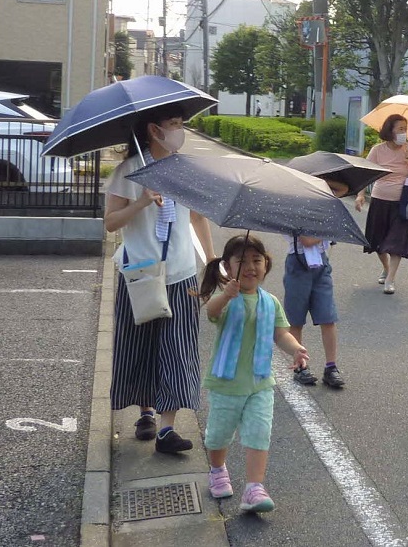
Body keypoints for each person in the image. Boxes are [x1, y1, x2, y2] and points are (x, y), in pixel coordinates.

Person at [104, 104, 215, 453]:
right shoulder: (128, 171)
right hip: (140, 273)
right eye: (175, 125)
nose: (180, 131)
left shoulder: (184, 170)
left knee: (177, 350)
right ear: (155, 130)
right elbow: (110, 222)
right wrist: (139, 203)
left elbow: (198, 218)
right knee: (140, 347)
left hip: (181, 274)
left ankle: (168, 429)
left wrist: (211, 261)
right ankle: (146, 413)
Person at [196, 234, 309, 513]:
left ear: (266, 264)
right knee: (219, 435)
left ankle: (254, 488)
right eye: (242, 261)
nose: (250, 266)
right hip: (226, 382)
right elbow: (211, 312)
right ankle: (218, 469)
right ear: (227, 266)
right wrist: (225, 295)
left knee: (260, 433)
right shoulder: (227, 298)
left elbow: (280, 333)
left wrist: (295, 349)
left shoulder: (270, 301)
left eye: (257, 260)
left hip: (260, 383)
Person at [283, 178, 350, 388]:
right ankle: (301, 366)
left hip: (321, 264)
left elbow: (344, 187)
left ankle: (331, 366)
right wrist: (328, 226)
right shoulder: (293, 207)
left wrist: (320, 181)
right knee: (296, 319)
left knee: (327, 317)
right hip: (297, 264)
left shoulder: (322, 203)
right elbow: (306, 239)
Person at [355, 114, 408, 295]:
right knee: (377, 241)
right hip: (379, 199)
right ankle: (386, 268)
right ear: (390, 130)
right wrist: (360, 195)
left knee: (397, 241)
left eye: (405, 129)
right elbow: (365, 173)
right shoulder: (377, 150)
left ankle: (390, 279)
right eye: (400, 129)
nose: (403, 133)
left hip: (402, 202)